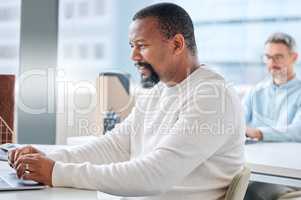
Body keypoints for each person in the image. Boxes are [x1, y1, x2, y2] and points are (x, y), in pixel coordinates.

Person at [9, 3, 245, 200]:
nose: (133, 56)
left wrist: (56, 172)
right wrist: (48, 157)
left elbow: (155, 174)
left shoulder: (212, 95)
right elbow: (114, 146)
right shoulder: (159, 91)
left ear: (176, 44)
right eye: (132, 46)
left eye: (142, 46)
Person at [243, 32, 301, 200]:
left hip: (286, 172)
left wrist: (259, 133)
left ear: (294, 57)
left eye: (278, 57)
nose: (271, 63)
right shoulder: (255, 91)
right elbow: (238, 123)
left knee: (248, 191)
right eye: (268, 57)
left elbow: (298, 131)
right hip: (256, 166)